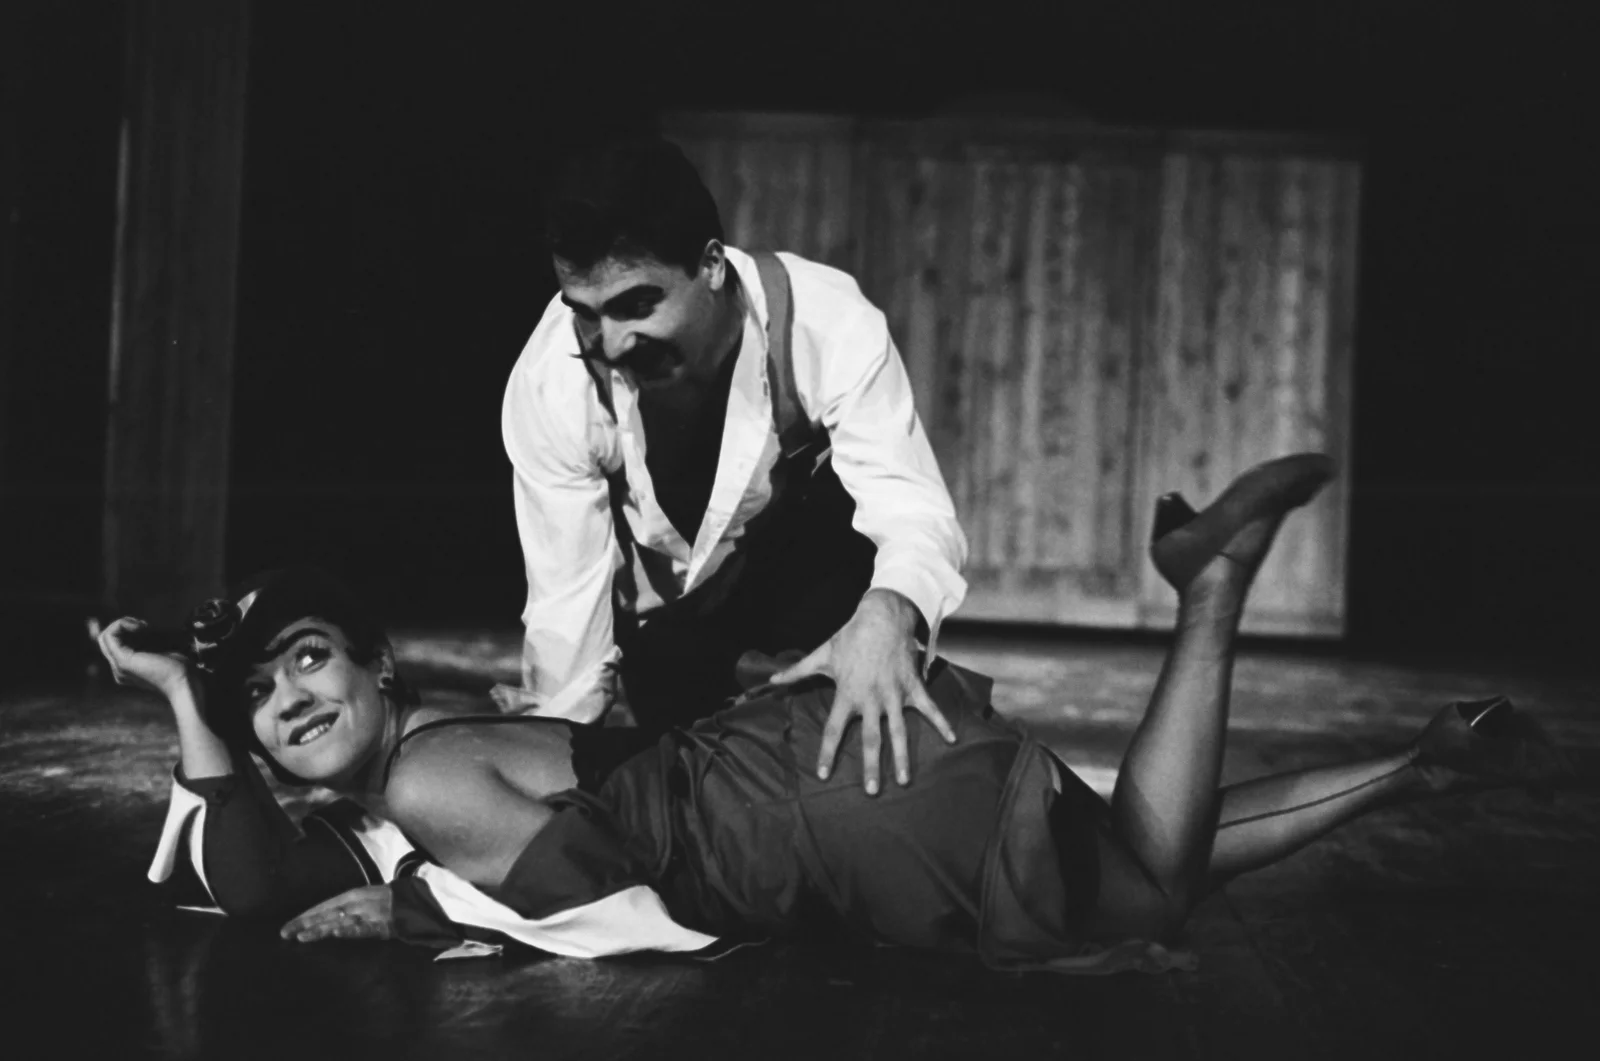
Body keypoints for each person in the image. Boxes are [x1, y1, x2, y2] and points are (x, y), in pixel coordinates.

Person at [100, 455, 1569, 975]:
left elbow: (616, 901)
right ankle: (1425, 764)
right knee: (1130, 854)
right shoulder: (433, 769)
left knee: (1146, 891)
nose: (289, 700)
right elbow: (247, 881)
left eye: (305, 662)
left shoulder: (424, 788)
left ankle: (1212, 593)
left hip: (806, 811)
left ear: (374, 666)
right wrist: (181, 690)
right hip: (810, 757)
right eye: (261, 697)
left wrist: (428, 915)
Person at [500, 135, 967, 796]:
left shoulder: (825, 323)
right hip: (665, 634)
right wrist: (552, 756)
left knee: (840, 784)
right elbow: (565, 600)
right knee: (696, 791)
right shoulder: (553, 381)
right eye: (586, 314)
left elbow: (910, 507)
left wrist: (888, 612)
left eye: (637, 305)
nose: (612, 343)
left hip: (798, 592)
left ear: (712, 265)